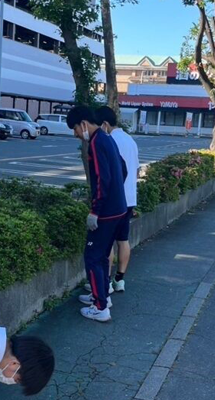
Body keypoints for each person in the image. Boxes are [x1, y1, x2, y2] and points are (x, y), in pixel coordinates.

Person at [66, 106, 127, 322]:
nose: (75, 134)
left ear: (83, 124)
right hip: (118, 209)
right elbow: (122, 167)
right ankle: (101, 297)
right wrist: (118, 193)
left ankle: (100, 307)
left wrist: (95, 211)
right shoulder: (106, 137)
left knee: (92, 256)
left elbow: (103, 180)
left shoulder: (96, 142)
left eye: (74, 129)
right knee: (101, 255)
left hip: (106, 212)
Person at [95, 105, 139, 293]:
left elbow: (109, 175)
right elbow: (136, 171)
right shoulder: (130, 140)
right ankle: (119, 280)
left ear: (104, 124)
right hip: (129, 199)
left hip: (114, 200)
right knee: (123, 240)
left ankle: (105, 282)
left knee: (107, 242)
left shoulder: (109, 141)